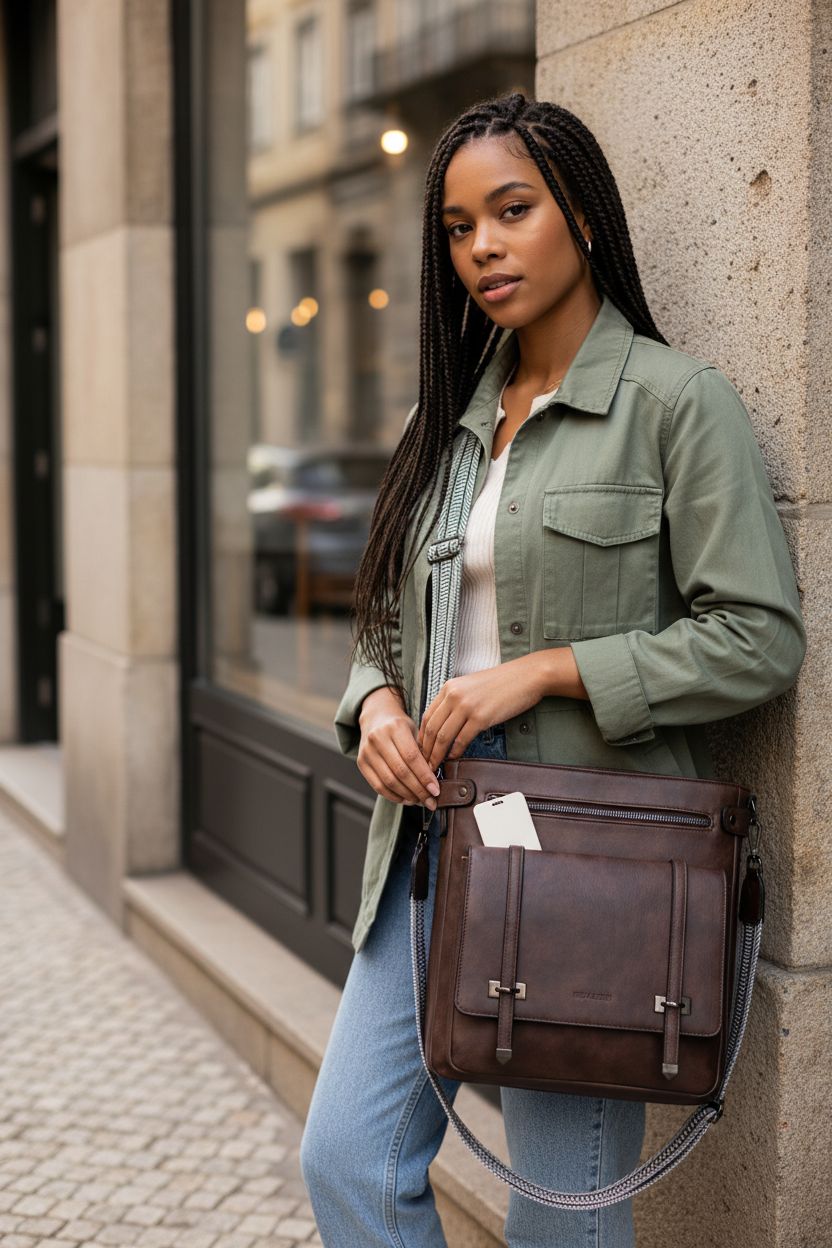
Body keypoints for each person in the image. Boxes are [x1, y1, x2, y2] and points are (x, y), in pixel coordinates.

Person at [299, 92, 807, 1247]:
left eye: (511, 211)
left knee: (557, 1218)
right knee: (349, 1162)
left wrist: (543, 673)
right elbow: (386, 613)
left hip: (586, 862)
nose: (481, 246)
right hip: (431, 840)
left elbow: (758, 637)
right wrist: (374, 704)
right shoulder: (448, 421)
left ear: (580, 214)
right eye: (457, 227)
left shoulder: (676, 406)